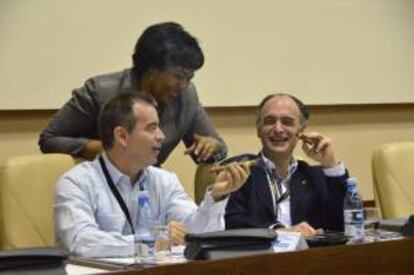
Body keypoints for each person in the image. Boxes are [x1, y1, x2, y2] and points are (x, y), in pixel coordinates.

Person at [54, 92, 249, 257]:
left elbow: (197, 234)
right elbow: (81, 241)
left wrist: (216, 196)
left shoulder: (164, 180)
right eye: (152, 128)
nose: (162, 136)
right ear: (122, 136)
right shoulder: (76, 183)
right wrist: (153, 240)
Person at [39, 22, 226, 165]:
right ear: (152, 70)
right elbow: (49, 140)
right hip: (98, 188)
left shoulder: (186, 97)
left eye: (189, 78)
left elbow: (219, 148)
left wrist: (213, 147)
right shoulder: (99, 92)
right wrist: (106, 150)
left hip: (149, 190)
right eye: (178, 76)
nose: (184, 85)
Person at [224, 93, 349, 237]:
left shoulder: (314, 176)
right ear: (258, 129)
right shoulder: (239, 173)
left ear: (300, 131)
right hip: (258, 258)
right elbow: (230, 225)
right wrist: (278, 233)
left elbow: (343, 224)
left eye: (287, 122)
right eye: (270, 121)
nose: (278, 129)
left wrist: (330, 165)